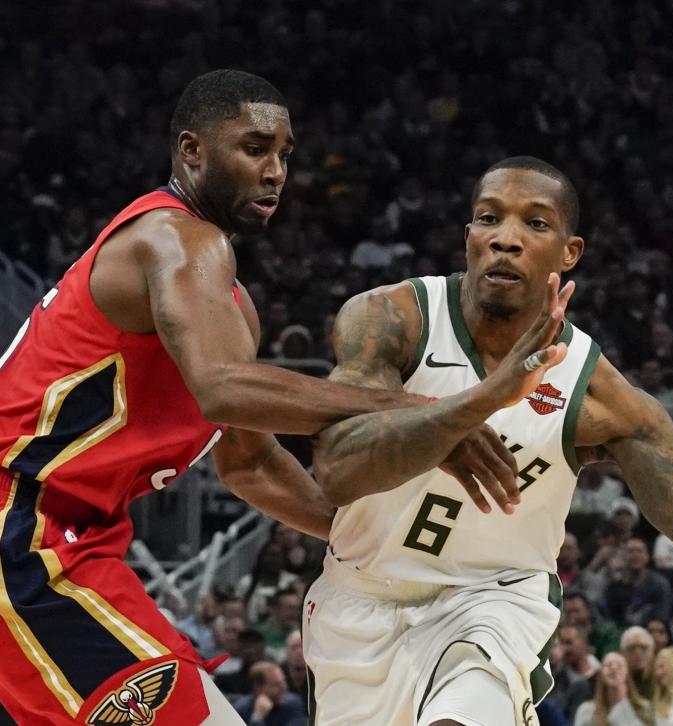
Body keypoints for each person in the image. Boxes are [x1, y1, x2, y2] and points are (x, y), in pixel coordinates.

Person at [302, 156, 673, 725]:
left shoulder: (595, 393)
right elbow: (337, 469)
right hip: (358, 603)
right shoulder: (393, 320)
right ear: (468, 235)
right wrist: (478, 404)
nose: (505, 237)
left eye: (533, 223)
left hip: (491, 604)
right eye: (489, 217)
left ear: (568, 253)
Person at [0, 70, 512, 725]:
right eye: (254, 148)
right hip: (24, 536)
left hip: (72, 547)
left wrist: (367, 542)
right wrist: (419, 411)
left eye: (285, 155)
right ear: (192, 151)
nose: (276, 171)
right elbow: (222, 389)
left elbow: (249, 462)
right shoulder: (173, 238)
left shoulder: (230, 307)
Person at [573, 651, 652, 726]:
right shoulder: (586, 711)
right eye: (608, 665)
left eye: (619, 665)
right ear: (601, 674)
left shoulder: (643, 708)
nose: (614, 668)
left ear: (627, 673)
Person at [232, 661, 307, 726]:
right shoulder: (242, 709)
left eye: (283, 682)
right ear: (258, 687)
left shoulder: (293, 704)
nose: (284, 688)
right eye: (276, 685)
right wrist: (257, 718)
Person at [621, 626, 657, 699]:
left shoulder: (661, 682)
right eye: (631, 648)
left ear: (653, 653)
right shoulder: (617, 684)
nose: (638, 653)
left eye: (643, 648)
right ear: (623, 654)